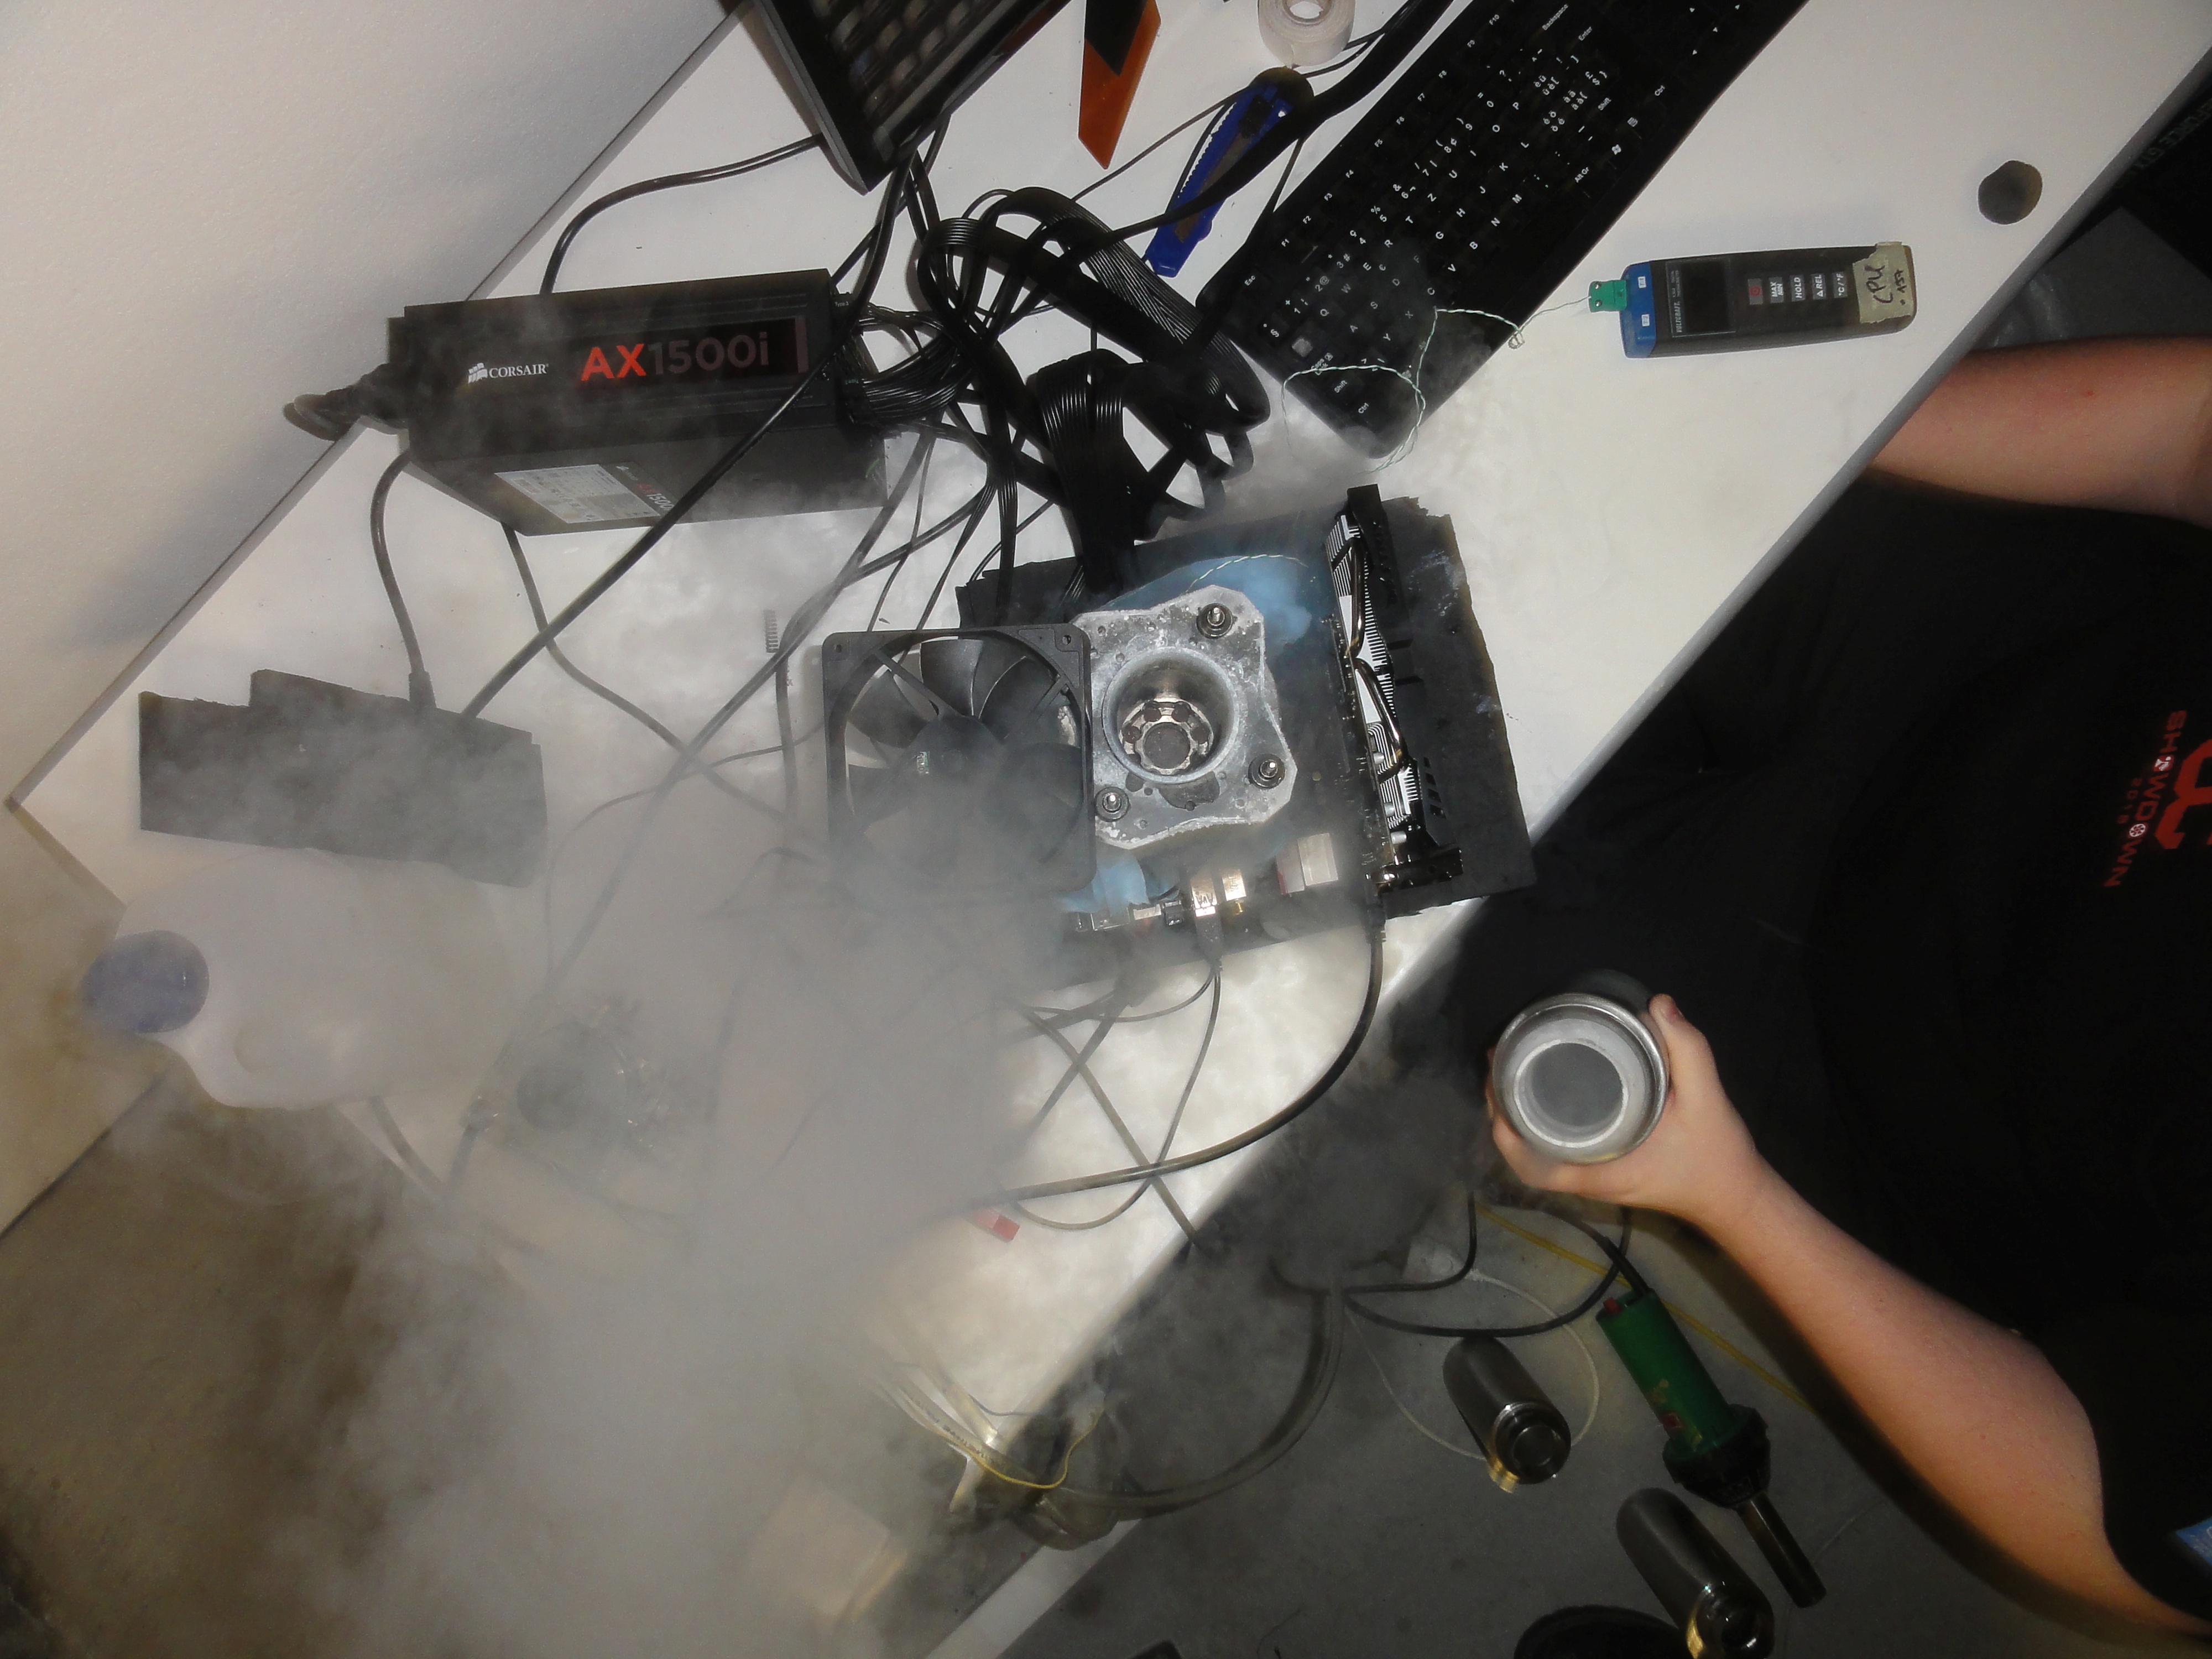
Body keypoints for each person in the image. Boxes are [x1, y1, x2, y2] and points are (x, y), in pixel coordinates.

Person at [1436, 337, 2212, 1634]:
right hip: (2009, 639)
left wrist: (1729, 1196)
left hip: (1860, 1045)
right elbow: (2189, 428)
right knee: (1522, 458)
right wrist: (1822, 416)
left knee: (1394, 913)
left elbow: (2097, 1515)